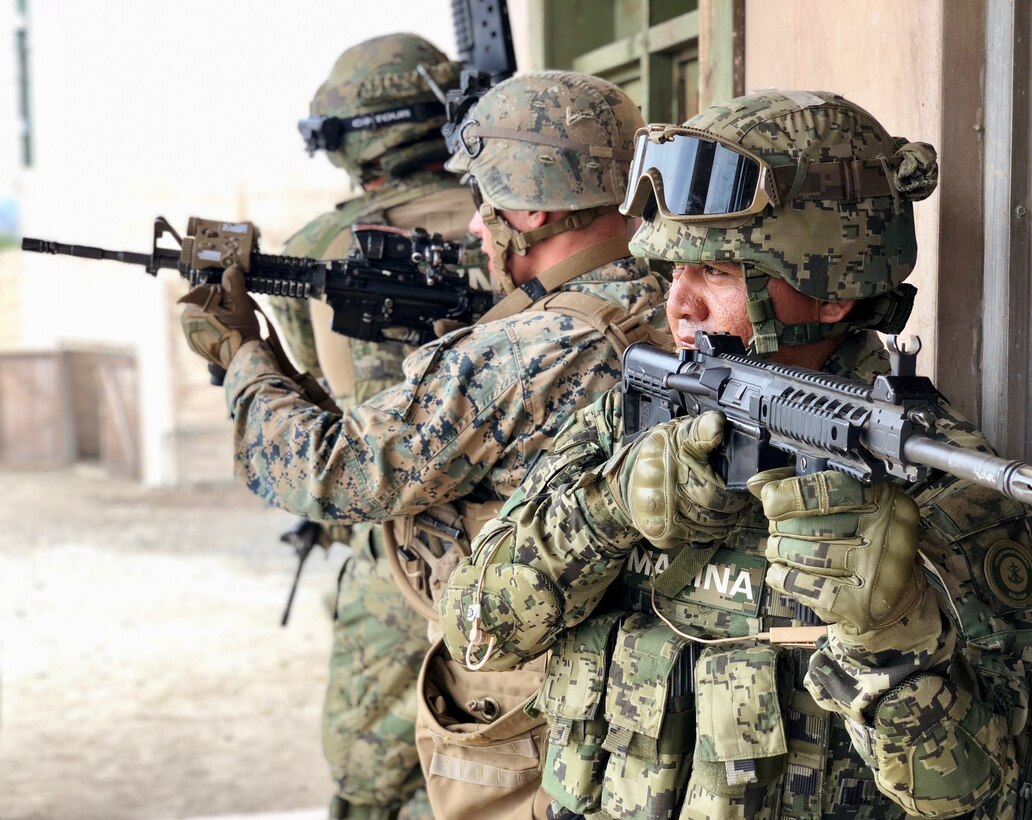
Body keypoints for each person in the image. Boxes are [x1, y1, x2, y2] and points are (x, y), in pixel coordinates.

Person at [439, 89, 1032, 819]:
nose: (678, 307)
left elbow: (990, 798)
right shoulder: (629, 424)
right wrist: (607, 511)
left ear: (832, 292)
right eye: (672, 272)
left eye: (717, 273)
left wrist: (891, 638)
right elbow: (473, 633)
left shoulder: (942, 489)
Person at [178, 70, 670, 818]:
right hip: (638, 680)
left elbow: (325, 472)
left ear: (532, 208)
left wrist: (240, 355)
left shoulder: (518, 354)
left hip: (530, 701)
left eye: (485, 200)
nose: (476, 226)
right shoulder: (679, 302)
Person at [268, 33, 475, 820]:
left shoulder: (320, 249)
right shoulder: (515, 219)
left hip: (398, 553)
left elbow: (312, 401)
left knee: (374, 774)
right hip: (534, 546)